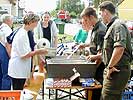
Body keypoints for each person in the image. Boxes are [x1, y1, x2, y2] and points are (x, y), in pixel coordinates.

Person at [99, 1, 132, 100]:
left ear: (105, 12)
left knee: (108, 97)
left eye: (100, 13)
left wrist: (110, 67)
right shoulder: (113, 25)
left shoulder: (118, 25)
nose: (101, 17)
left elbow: (119, 48)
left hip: (116, 70)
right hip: (115, 70)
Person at [8, 13, 48, 90]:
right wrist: (39, 51)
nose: (36, 25)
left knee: (19, 91)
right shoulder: (22, 35)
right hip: (18, 69)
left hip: (20, 69)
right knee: (17, 92)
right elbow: (24, 55)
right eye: (36, 23)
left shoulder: (24, 32)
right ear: (30, 22)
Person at [80, 7, 106, 100]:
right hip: (95, 66)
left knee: (95, 94)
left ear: (91, 17)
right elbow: (95, 43)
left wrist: (92, 70)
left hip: (99, 68)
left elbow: (100, 55)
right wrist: (84, 45)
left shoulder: (100, 31)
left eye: (86, 20)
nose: (85, 22)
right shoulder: (96, 28)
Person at [0, 14, 13, 90]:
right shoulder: (7, 29)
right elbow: (8, 44)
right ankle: (5, 95)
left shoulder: (1, 28)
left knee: (1, 74)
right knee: (7, 74)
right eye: (12, 20)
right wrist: (11, 56)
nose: (12, 22)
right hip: (4, 52)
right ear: (8, 20)